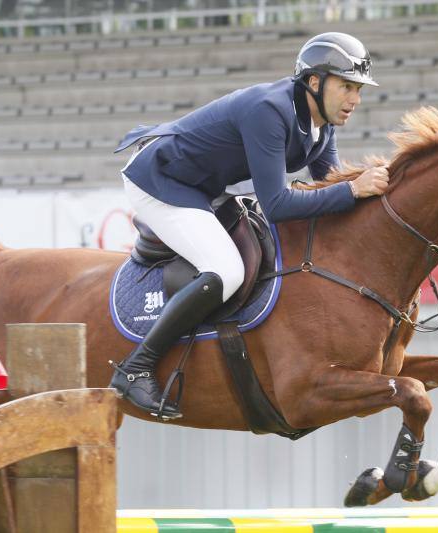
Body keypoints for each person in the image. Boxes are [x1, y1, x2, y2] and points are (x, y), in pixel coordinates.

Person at [109, 32, 390, 419]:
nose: (355, 100)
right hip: (160, 181)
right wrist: (354, 191)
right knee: (226, 270)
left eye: (358, 89)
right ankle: (136, 368)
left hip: (202, 186)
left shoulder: (322, 124)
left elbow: (333, 185)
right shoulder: (269, 111)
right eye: (347, 86)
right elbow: (276, 205)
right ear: (314, 81)